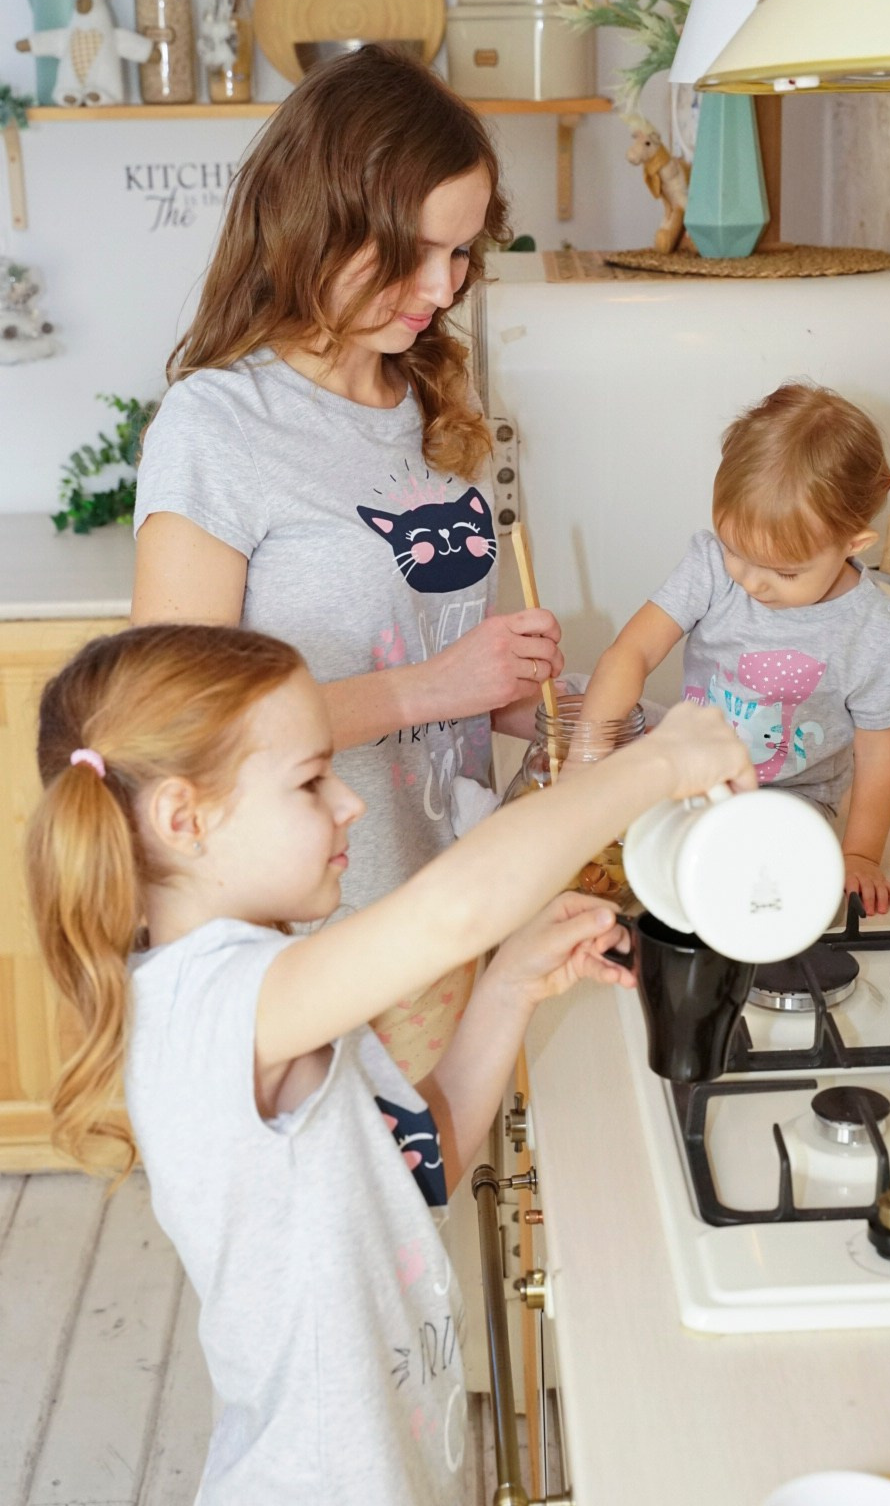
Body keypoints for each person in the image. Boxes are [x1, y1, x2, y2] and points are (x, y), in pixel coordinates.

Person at [25, 621, 755, 1506]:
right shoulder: (209, 1009)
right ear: (185, 820)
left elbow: (418, 1162)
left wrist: (510, 988)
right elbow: (451, 913)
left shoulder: (271, 992)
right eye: (310, 781)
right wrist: (653, 766)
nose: (349, 803)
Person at [130, 44, 562, 1070]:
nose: (441, 286)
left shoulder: (431, 402)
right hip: (306, 953)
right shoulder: (218, 426)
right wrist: (430, 688)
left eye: (462, 253)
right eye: (414, 251)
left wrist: (543, 702)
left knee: (441, 1215)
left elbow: (431, 650)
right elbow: (175, 735)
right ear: (320, 221)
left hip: (445, 903)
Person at [581, 382, 890, 916]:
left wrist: (861, 854)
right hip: (687, 762)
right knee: (573, 699)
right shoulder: (712, 569)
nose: (752, 582)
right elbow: (630, 654)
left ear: (853, 544)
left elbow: (878, 761)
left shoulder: (881, 638)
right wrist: (588, 756)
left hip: (787, 800)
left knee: (763, 881)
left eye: (784, 571)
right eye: (736, 551)